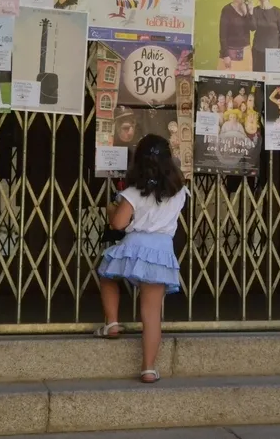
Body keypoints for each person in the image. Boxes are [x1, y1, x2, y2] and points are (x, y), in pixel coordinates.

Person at [94, 134, 188, 384]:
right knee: (151, 314)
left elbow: (118, 223)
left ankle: (112, 322)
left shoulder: (134, 193)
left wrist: (112, 208)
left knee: (106, 275)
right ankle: (148, 368)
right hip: (161, 252)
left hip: (135, 246)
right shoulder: (180, 193)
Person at [218, 0, 255, 71]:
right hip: (230, 52)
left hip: (246, 52)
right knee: (227, 81)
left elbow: (253, 28)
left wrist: (249, 12)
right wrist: (225, 55)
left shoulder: (248, 7)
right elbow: (222, 34)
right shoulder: (227, 9)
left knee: (245, 81)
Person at [249, 0, 280, 72]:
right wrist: (250, 12)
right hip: (258, 51)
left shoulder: (277, 11)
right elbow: (252, 28)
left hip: (273, 53)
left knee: (272, 81)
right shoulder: (254, 10)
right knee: (257, 80)